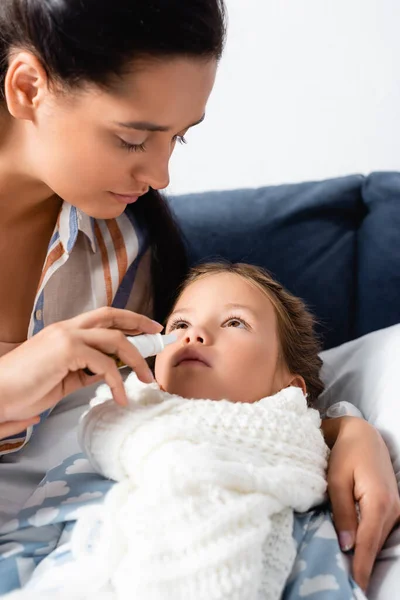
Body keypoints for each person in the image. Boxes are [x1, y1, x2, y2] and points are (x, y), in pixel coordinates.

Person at [0, 0, 397, 592]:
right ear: (29, 87)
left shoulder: (122, 248)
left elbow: (193, 407)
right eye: (134, 139)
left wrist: (344, 433)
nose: (160, 177)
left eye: (178, 140)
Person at [0, 262, 362, 599]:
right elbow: (22, 551)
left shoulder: (300, 484)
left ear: (291, 388)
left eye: (235, 322)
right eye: (180, 325)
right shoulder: (98, 453)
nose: (196, 335)